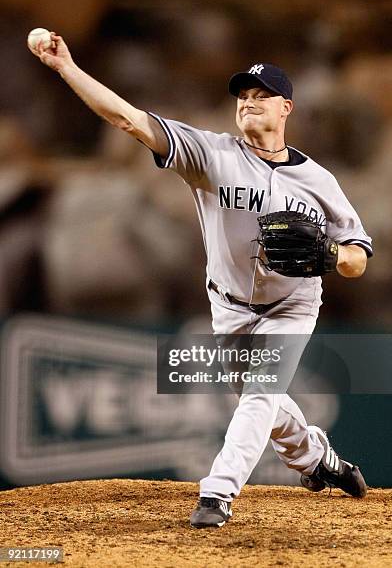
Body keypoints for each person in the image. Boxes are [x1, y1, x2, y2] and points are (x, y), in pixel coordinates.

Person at [29, 37, 372, 529]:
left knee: (260, 392)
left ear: (286, 107)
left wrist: (333, 253)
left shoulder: (319, 180)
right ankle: (317, 457)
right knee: (263, 400)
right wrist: (67, 67)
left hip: (292, 305)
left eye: (261, 94)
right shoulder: (211, 154)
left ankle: (218, 492)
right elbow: (129, 118)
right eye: (243, 96)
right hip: (228, 306)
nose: (249, 102)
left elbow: (358, 258)